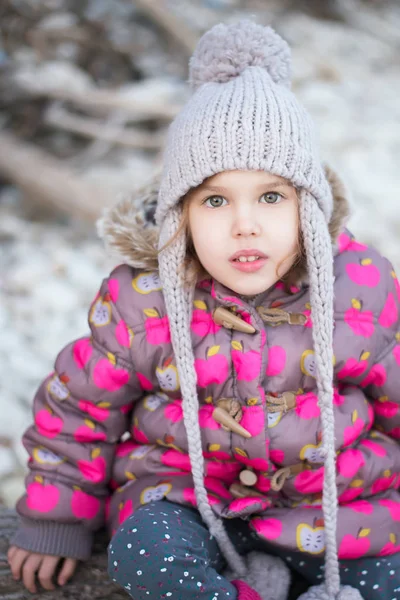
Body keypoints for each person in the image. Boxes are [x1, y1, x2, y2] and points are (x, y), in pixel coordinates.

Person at [7, 19, 400, 600]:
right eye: (215, 200)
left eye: (271, 197)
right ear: (180, 217)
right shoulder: (144, 299)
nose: (246, 223)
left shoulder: (358, 289)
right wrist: (54, 518)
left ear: (308, 208)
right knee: (142, 554)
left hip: (337, 506)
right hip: (190, 499)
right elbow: (79, 409)